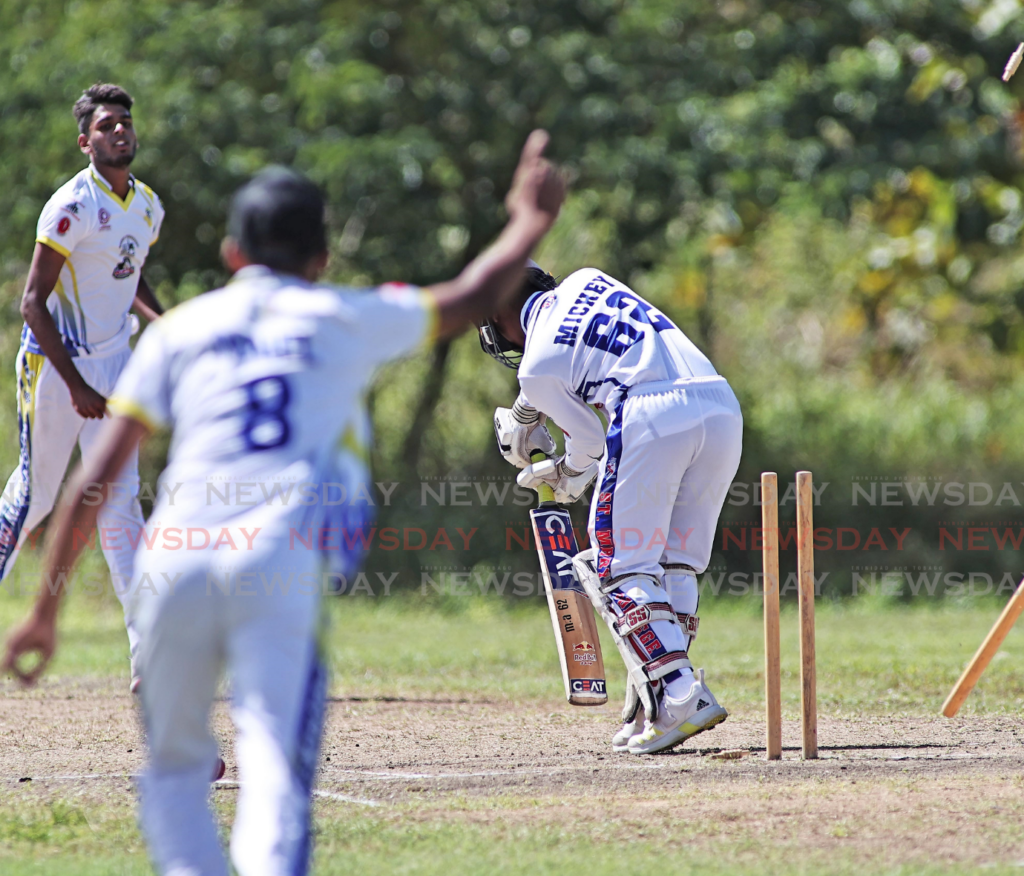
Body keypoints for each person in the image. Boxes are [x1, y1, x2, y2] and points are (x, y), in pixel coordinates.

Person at [2, 131, 564, 876]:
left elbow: (94, 477)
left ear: (234, 254)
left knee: (175, 778)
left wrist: (44, 609)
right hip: (278, 564)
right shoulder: (341, 316)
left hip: (171, 566)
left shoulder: (183, 330)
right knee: (271, 775)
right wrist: (529, 219)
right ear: (322, 259)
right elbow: (467, 297)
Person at [481, 264, 742, 754]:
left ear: (499, 309)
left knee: (617, 566)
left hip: (653, 413)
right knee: (674, 564)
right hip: (720, 404)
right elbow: (572, 360)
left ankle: (682, 695)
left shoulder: (533, 369)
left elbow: (590, 442)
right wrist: (529, 413)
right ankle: (655, 702)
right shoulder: (586, 279)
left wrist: (560, 473)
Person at [0, 83, 165, 691]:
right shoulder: (70, 206)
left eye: (124, 122)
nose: (118, 131)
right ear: (85, 142)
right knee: (37, 498)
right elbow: (32, 303)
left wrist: (164, 324)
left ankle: (150, 664)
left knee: (123, 509)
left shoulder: (146, 205)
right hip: (54, 367)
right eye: (105, 126)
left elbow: (129, 272)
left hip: (115, 366)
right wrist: (75, 385)